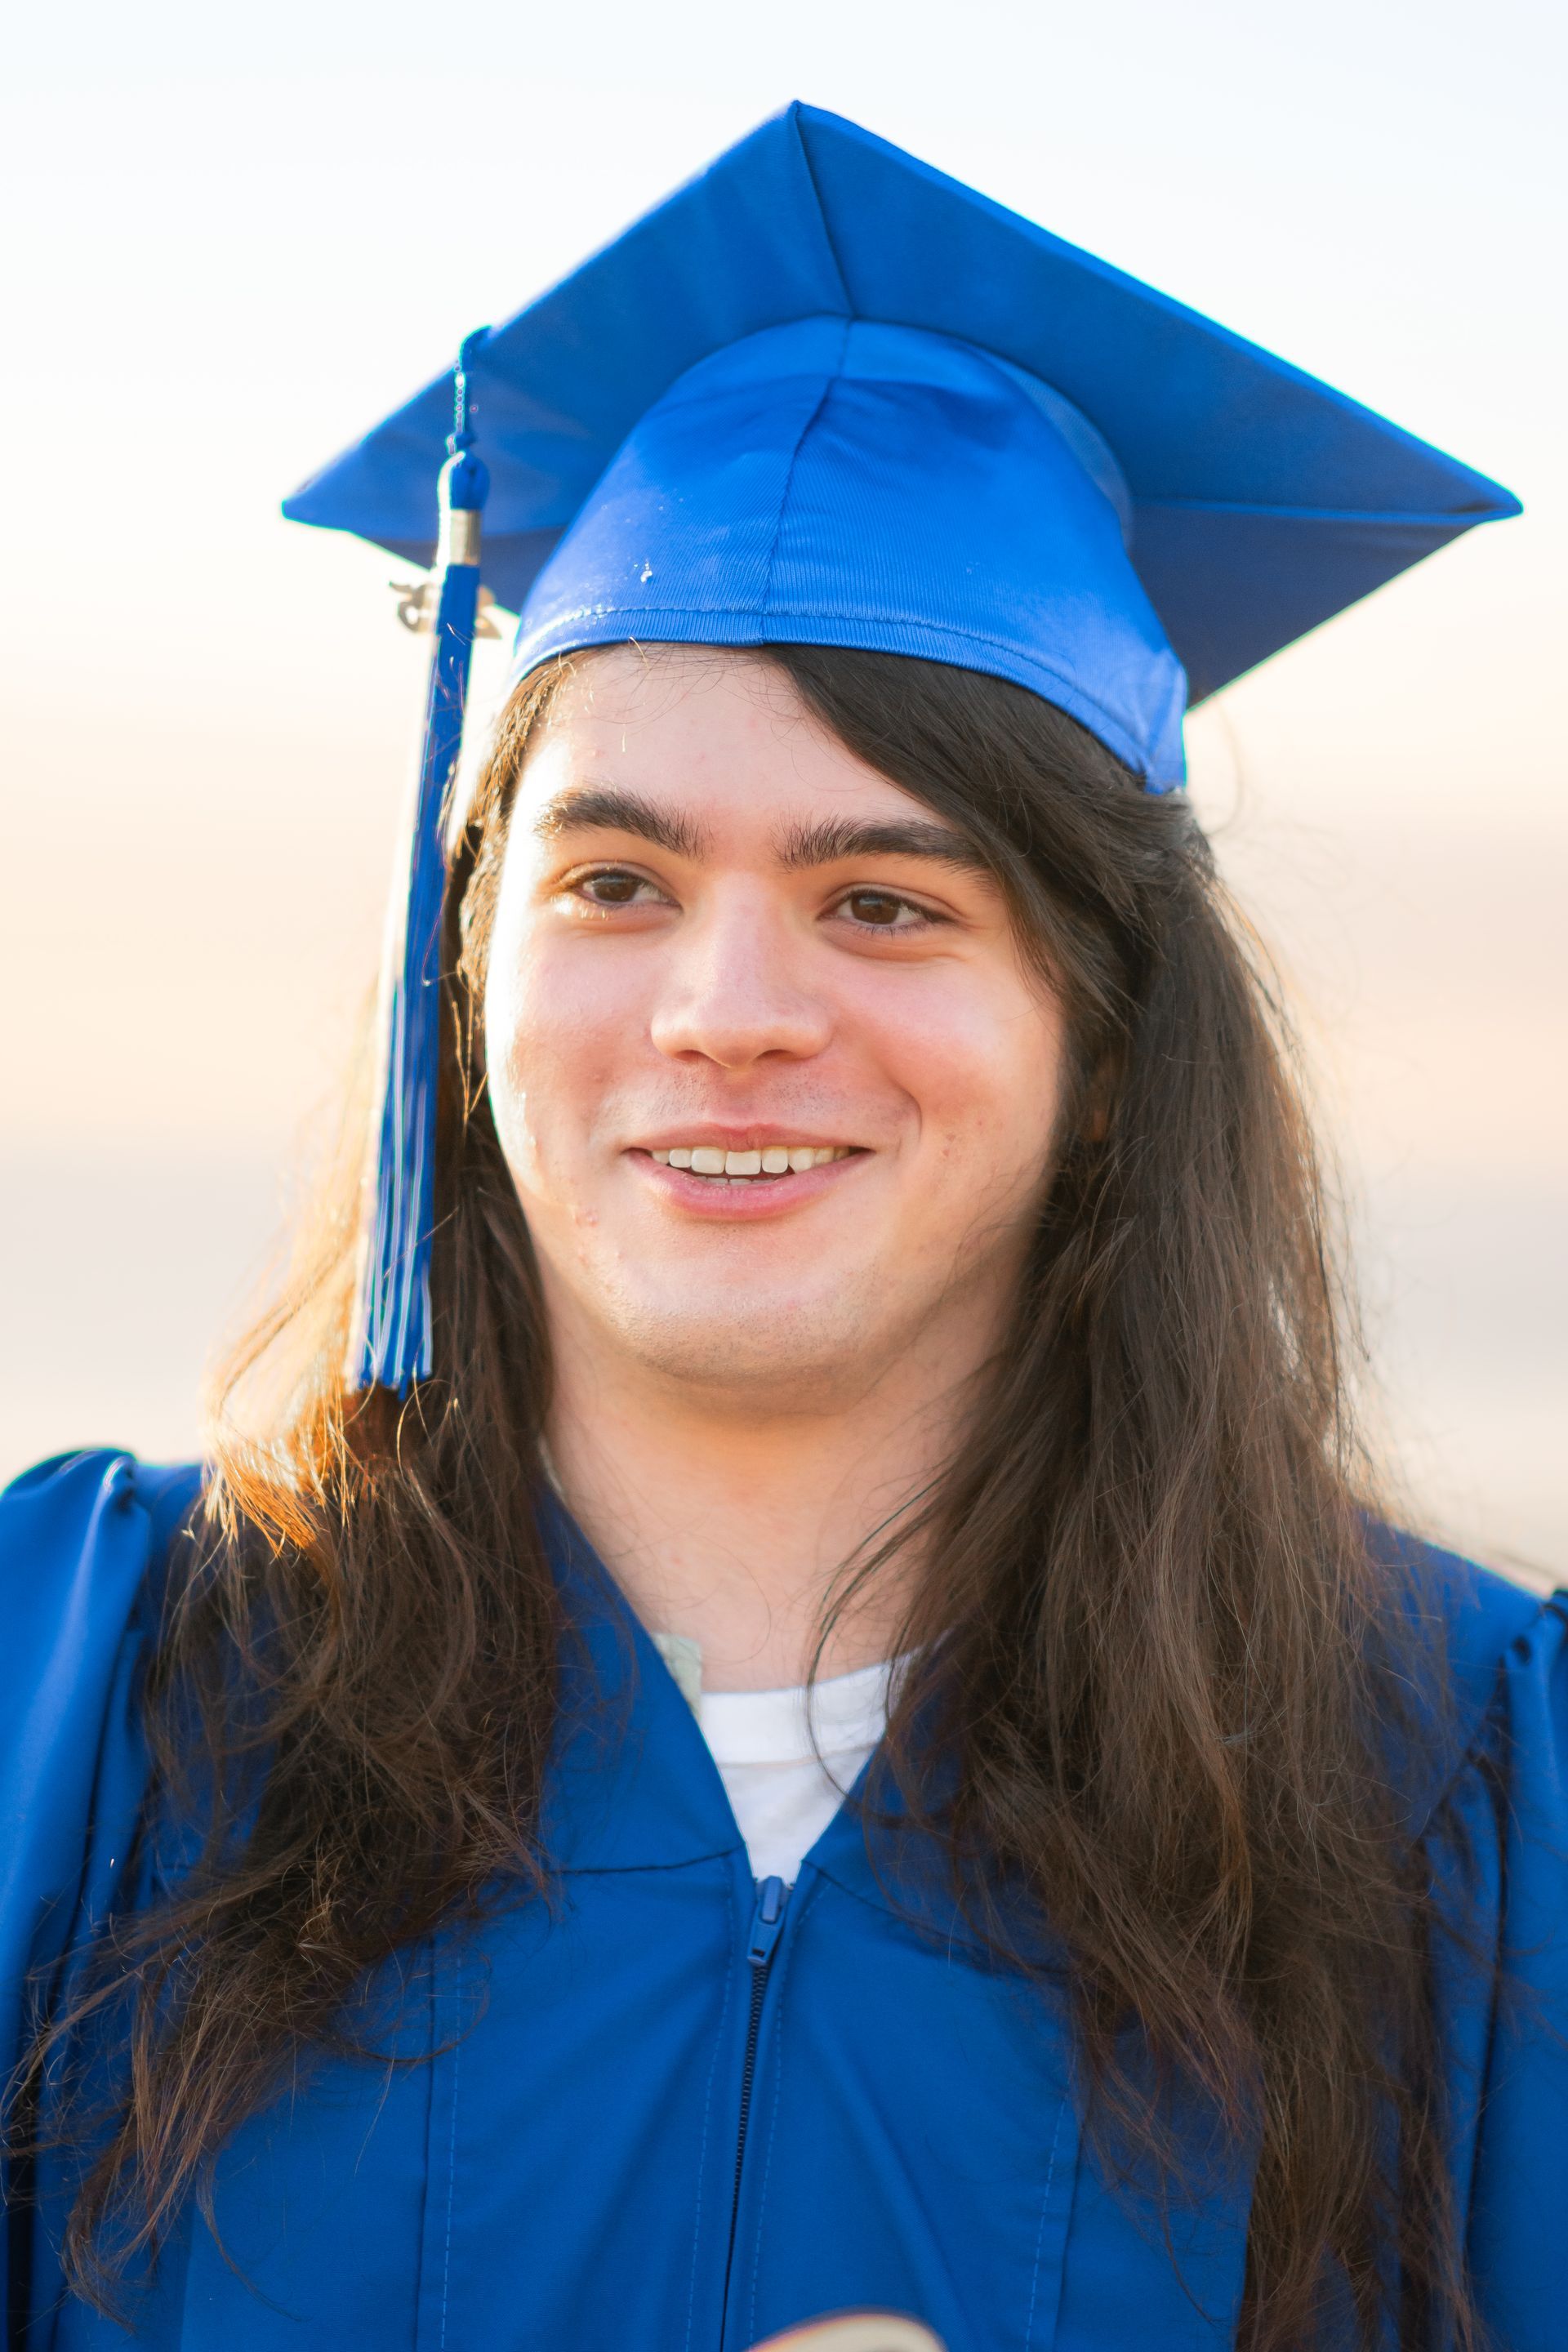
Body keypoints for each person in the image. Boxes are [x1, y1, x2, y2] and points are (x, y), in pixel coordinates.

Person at [2, 101, 1561, 2352]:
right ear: (472, 981)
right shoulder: (95, 1702)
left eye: (886, 901)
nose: (728, 1013)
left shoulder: (1466, 1792)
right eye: (616, 883)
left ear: (1105, 1037)